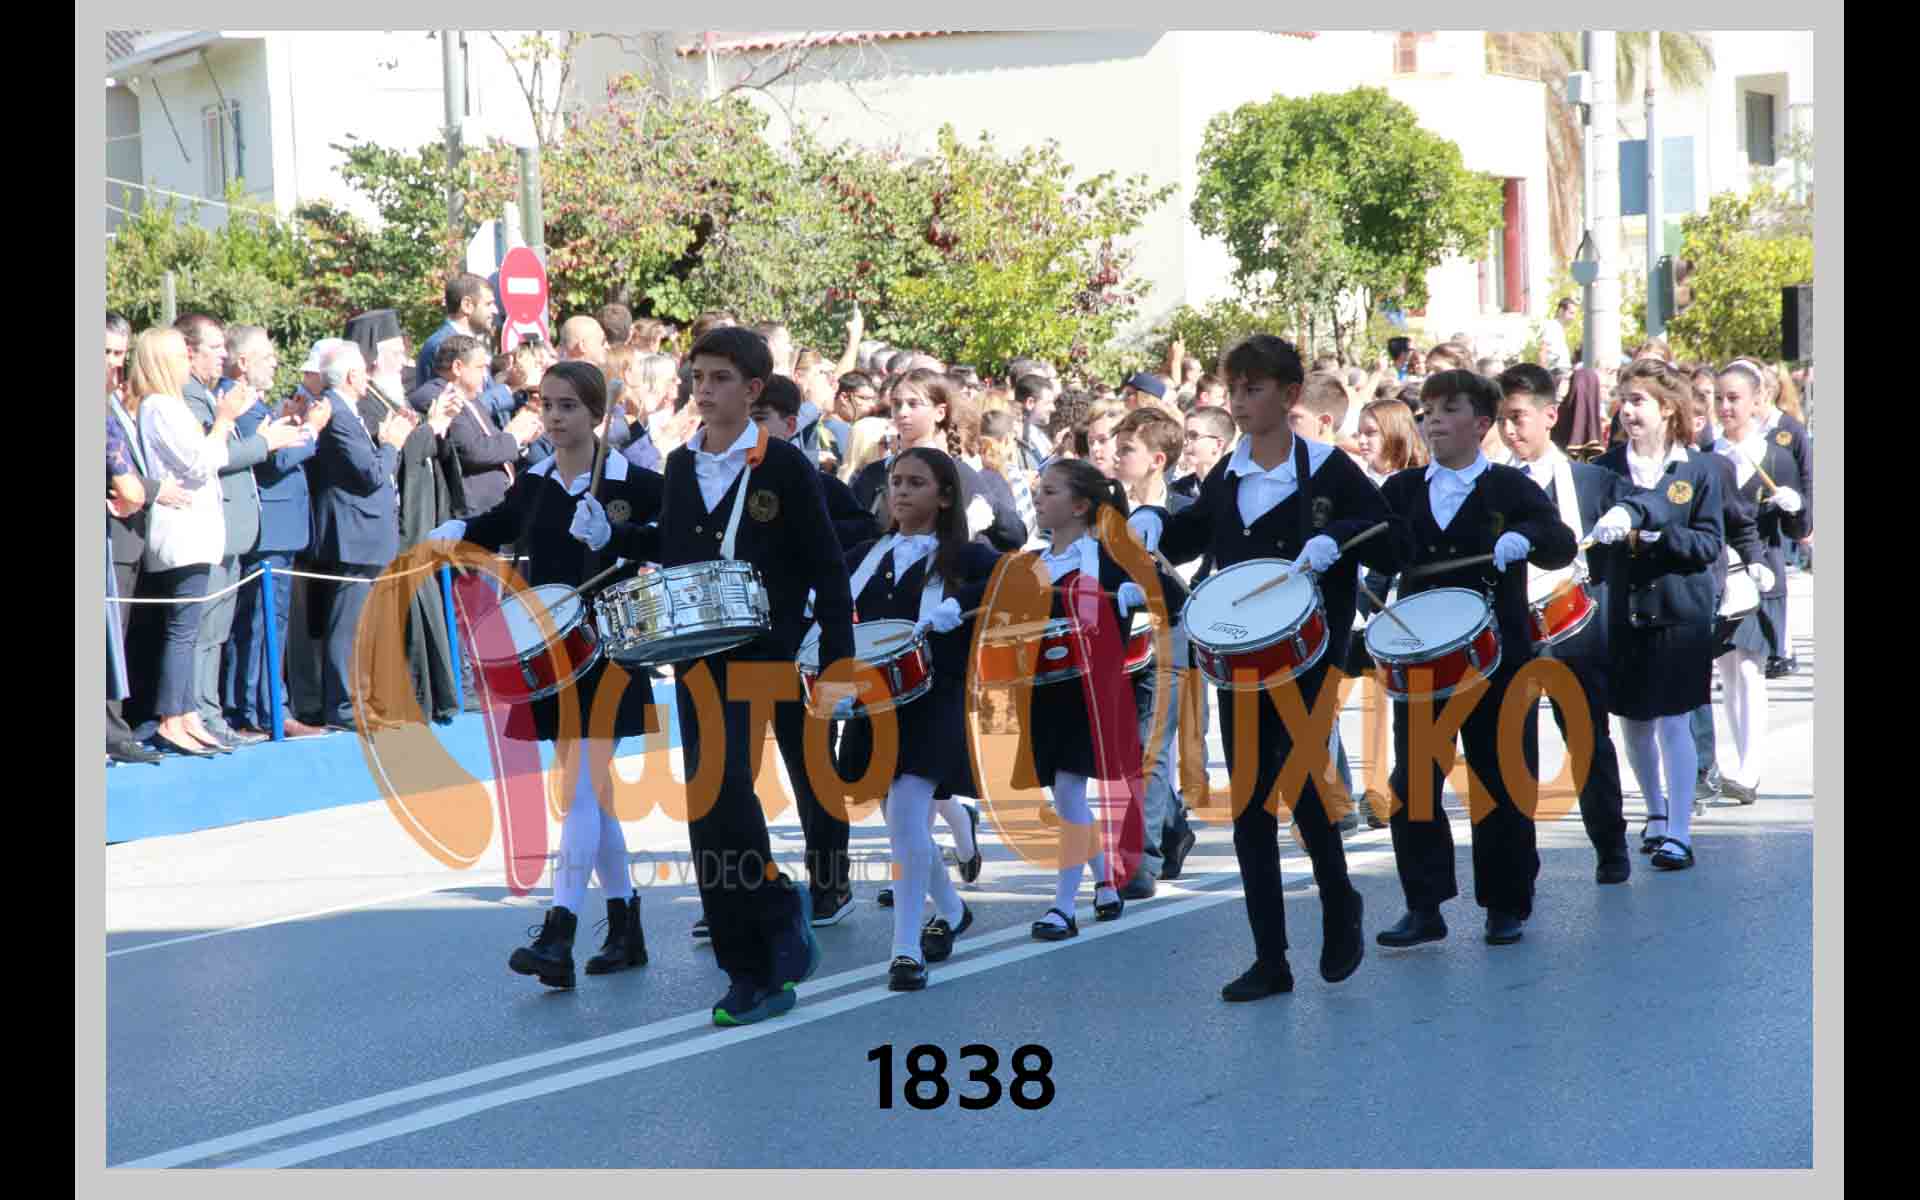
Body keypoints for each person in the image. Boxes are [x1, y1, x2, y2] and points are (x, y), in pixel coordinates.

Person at [1135, 334, 1407, 1000]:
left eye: (1253, 389)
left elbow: (1388, 535)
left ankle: (1339, 901)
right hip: (1239, 652)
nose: (1238, 401)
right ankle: (1270, 958)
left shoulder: (1329, 469)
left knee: (1304, 783)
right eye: (1233, 389)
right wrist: (1150, 521)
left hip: (1309, 654)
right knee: (1252, 802)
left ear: (1289, 396)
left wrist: (1336, 538)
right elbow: (1193, 533)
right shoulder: (1228, 472)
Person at [611, 326, 856, 1026]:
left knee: (728, 794)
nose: (704, 389)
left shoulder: (785, 467)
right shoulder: (681, 464)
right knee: (706, 806)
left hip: (764, 655)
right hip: (697, 656)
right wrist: (616, 537)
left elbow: (826, 566)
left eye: (720, 378)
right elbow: (673, 549)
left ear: (753, 390)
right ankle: (749, 959)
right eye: (698, 377)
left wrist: (839, 666)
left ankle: (770, 937)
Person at [427, 361, 666, 989]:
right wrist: (460, 530)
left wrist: (619, 536)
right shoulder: (534, 482)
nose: (555, 417)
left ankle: (559, 932)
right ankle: (626, 927)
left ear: (597, 414)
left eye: (568, 406)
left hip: (608, 652)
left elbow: (672, 542)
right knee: (592, 793)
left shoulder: (638, 482)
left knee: (580, 791)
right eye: (547, 404)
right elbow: (498, 526)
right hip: (550, 653)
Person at [1374, 369, 1576, 946]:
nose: (1433, 420)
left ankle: (1506, 903)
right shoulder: (1401, 490)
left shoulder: (1509, 488)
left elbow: (1560, 542)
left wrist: (1528, 537)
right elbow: (1375, 549)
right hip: (1421, 660)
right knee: (1413, 781)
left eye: (1449, 409)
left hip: (1497, 660)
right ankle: (1424, 905)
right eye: (1428, 410)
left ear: (1481, 423)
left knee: (1501, 779)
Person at [832, 449, 1004, 989]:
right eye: (896, 482)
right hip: (875, 701)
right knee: (899, 820)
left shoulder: (967, 557)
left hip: (936, 698)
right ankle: (951, 909)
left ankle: (905, 950)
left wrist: (963, 601)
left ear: (945, 496)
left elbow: (1020, 582)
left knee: (907, 813)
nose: (901, 492)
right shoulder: (865, 554)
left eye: (916, 483)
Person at [1021, 459, 1181, 941]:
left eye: (1050, 491)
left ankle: (1063, 906)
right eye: (1039, 490)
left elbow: (1174, 598)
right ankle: (1106, 883)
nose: (1038, 498)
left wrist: (1141, 589)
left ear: (1080, 506)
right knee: (1063, 794)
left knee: (1069, 792)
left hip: (1092, 693)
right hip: (1045, 695)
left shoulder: (1110, 557)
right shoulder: (1033, 562)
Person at [1494, 365, 1634, 883]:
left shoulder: (1590, 480)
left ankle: (1611, 845)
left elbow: (1641, 506)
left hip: (1574, 627)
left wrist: (1628, 518)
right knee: (1514, 749)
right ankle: (1519, 865)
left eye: (1518, 417)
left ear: (1551, 415)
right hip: (1513, 629)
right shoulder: (1492, 483)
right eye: (1502, 419)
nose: (1509, 430)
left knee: (1587, 740)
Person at [1587, 359, 1728, 871]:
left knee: (1674, 720)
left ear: (1668, 408)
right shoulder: (1605, 470)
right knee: (1635, 721)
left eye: (1638, 400)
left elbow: (1710, 543)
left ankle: (1680, 833)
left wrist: (1659, 536)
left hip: (1679, 612)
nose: (1627, 410)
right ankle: (1655, 810)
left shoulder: (1699, 469)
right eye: (1623, 400)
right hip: (1623, 611)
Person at [178, 316, 308, 749]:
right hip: (226, 528)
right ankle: (225, 711)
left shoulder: (225, 398)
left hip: (241, 528)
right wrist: (293, 435)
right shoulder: (212, 399)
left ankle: (214, 713)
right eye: (215, 347)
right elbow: (228, 456)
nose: (222, 355)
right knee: (219, 630)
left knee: (221, 631)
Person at [132, 328, 259, 757]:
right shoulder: (160, 406)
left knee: (187, 628)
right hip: (182, 532)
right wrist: (223, 420)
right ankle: (172, 718)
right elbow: (200, 462)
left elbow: (208, 458)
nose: (189, 361)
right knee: (182, 630)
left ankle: (185, 714)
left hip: (195, 529)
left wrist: (221, 427)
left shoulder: (168, 406)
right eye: (181, 355)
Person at [224, 328, 332, 740]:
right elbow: (274, 460)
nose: (275, 363)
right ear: (243, 362)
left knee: (268, 623)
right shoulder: (239, 403)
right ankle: (258, 710)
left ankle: (264, 706)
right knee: (260, 623)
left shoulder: (255, 404)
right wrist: (313, 430)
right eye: (266, 357)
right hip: (268, 531)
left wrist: (288, 419)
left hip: (280, 529)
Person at [1710, 359, 1808, 804]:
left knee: (1751, 668)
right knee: (1728, 669)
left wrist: (1794, 506)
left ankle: (1750, 768)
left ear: (1756, 401)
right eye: (1719, 398)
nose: (1725, 407)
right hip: (1720, 573)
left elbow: (1798, 528)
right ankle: (1739, 761)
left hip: (1762, 571)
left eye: (1734, 398)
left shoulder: (1777, 457)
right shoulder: (1705, 455)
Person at [306, 342, 413, 732]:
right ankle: (343, 705)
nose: (368, 378)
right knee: (348, 623)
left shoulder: (347, 411)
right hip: (353, 533)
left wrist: (384, 442)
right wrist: (391, 444)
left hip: (367, 532)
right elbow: (370, 474)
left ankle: (361, 698)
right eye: (364, 372)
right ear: (352, 376)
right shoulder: (337, 414)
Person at [1109, 406, 1194, 895]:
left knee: (1148, 750)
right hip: (1117, 641)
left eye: (1127, 449)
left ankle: (1139, 861)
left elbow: (1192, 577)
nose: (1115, 456)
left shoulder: (1184, 512)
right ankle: (1173, 826)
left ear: (1158, 459)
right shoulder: (1107, 507)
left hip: (1167, 639)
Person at [106, 314, 190, 764]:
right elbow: (129, 484)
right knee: (108, 641)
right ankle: (112, 733)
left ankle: (117, 727)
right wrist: (154, 490)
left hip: (130, 535)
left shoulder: (119, 405)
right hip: (114, 537)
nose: (114, 364)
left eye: (120, 354)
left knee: (120, 641)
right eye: (105, 353)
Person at [850, 370, 1028, 552]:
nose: (902, 412)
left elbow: (1015, 536)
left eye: (913, 404)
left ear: (940, 412)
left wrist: (991, 510)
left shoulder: (958, 473)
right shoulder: (875, 473)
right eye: (896, 404)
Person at [440, 335, 543, 519]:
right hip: (475, 510)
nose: (484, 375)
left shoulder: (472, 400)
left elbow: (495, 439)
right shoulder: (443, 398)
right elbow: (472, 450)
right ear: (457, 367)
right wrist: (515, 438)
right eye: (480, 368)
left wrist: (521, 440)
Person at [1755, 362, 1813, 678]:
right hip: (1754, 512)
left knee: (1776, 580)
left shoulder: (1790, 429)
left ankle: (1783, 648)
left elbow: (1807, 477)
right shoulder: (1742, 431)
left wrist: (1806, 518)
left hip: (1785, 513)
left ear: (1767, 393)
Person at [416, 274, 501, 416]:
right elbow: (459, 410)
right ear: (467, 305)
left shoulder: (472, 343)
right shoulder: (443, 345)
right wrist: (507, 390)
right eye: (488, 304)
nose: (495, 310)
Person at [1014, 373, 1058, 473]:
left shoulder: (1037, 433)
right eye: (1048, 403)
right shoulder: (1017, 438)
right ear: (1030, 403)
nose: (1053, 408)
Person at [1540, 299, 1575, 371]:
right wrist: (1543, 371)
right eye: (1571, 313)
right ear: (1561, 311)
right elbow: (1543, 348)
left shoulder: (1561, 328)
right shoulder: (1552, 325)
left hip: (1563, 369)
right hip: (1557, 370)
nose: (1573, 317)